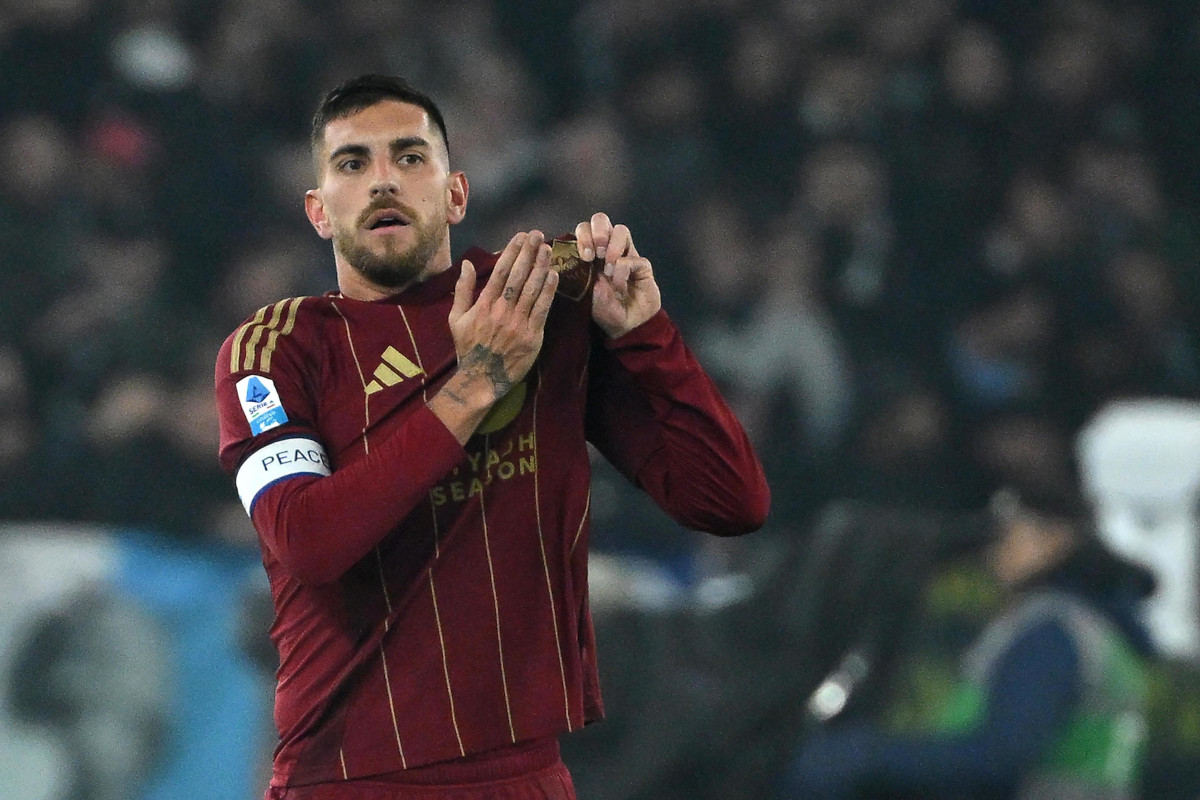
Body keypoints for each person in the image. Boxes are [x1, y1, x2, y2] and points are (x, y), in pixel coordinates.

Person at [213, 74, 770, 800]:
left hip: (526, 776)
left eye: (410, 158)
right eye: (353, 164)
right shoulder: (275, 351)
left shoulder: (541, 311)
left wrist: (645, 335)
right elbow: (309, 543)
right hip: (351, 780)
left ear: (456, 195)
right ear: (319, 212)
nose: (383, 181)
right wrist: (477, 384)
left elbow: (730, 502)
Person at [784, 482, 1155, 800]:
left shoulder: (1051, 630)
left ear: (1056, 540)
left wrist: (867, 755)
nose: (996, 545)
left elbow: (1001, 754)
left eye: (1012, 531)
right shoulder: (1094, 627)